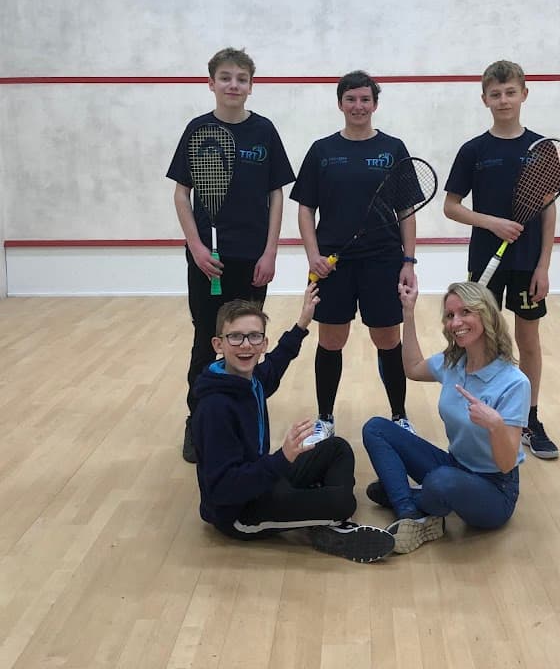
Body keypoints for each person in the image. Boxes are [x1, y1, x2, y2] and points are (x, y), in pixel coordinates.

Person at [191, 285, 396, 562]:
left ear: (264, 343)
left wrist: (303, 322)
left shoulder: (249, 381)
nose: (246, 345)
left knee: (337, 448)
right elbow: (223, 489)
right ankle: (330, 524)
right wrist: (282, 458)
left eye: (254, 336)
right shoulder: (215, 409)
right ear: (218, 344)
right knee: (343, 503)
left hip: (263, 479)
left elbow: (276, 363)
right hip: (238, 512)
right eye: (235, 337)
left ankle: (316, 514)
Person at [167, 47, 295, 463]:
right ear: (211, 83)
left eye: (241, 78)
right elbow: (181, 194)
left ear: (251, 86)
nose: (233, 85)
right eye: (225, 77)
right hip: (209, 263)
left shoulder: (264, 131)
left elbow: (276, 195)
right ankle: (199, 422)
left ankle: (245, 414)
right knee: (208, 340)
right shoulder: (197, 130)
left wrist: (270, 251)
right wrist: (196, 247)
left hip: (253, 260)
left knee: (248, 340)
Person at [289, 71, 418, 448]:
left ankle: (399, 416)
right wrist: (313, 256)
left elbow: (406, 210)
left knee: (387, 339)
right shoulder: (322, 150)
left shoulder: (393, 149)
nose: (358, 106)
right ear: (340, 103)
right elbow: (305, 208)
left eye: (365, 99)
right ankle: (325, 419)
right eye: (351, 99)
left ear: (375, 104)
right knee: (331, 339)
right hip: (333, 264)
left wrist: (408, 261)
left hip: (383, 260)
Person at [442, 59, 560, 459]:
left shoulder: (542, 150)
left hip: (528, 262)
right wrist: (491, 223)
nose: (504, 100)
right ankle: (480, 413)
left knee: (528, 340)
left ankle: (528, 420)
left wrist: (544, 265)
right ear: (485, 99)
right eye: (496, 94)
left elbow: (548, 210)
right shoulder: (474, 150)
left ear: (524, 94)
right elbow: (452, 207)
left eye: (510, 92)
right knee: (480, 339)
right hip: (485, 259)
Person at [362, 280, 529, 553]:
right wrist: (408, 313)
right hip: (455, 465)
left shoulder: (514, 383)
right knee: (376, 428)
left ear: (486, 315)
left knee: (440, 481)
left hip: (495, 490)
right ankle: (409, 512)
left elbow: (507, 463)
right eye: (450, 315)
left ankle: (408, 497)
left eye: (465, 312)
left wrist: (496, 425)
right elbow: (413, 368)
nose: (455, 322)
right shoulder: (454, 362)